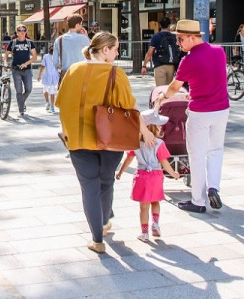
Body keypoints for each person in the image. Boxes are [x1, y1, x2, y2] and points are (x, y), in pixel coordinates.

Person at [56, 32, 156, 254]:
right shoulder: (115, 73)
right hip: (110, 139)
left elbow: (61, 103)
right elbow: (130, 107)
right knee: (106, 181)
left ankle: (97, 239)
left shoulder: (73, 70)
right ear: (104, 50)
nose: (118, 53)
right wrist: (144, 131)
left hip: (79, 139)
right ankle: (104, 220)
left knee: (89, 187)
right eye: (116, 49)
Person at [159, 19, 229, 213]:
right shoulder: (219, 51)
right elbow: (214, 78)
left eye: (181, 39)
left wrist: (162, 98)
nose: (178, 43)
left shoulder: (188, 60)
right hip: (222, 109)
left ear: (192, 37)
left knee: (196, 155)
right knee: (216, 150)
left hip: (200, 112)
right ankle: (213, 187)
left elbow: (174, 87)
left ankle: (198, 201)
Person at [116, 110, 180, 242]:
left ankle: (144, 233)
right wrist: (173, 173)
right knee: (155, 201)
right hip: (156, 176)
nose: (161, 127)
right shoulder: (159, 144)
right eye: (159, 125)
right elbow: (164, 162)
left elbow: (128, 159)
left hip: (141, 176)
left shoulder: (135, 143)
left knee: (143, 207)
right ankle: (155, 224)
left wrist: (121, 171)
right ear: (153, 127)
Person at [3, 25, 37, 117]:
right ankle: (21, 110)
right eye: (20, 30)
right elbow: (6, 55)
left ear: (26, 32)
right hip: (16, 69)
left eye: (24, 30)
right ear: (17, 32)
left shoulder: (30, 43)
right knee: (19, 91)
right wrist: (5, 63)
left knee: (28, 89)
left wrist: (26, 63)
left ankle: (22, 102)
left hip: (27, 70)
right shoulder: (13, 42)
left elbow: (34, 57)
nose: (22, 32)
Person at [53, 15, 91, 83]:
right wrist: (87, 37)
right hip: (80, 73)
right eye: (81, 25)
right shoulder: (83, 38)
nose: (82, 27)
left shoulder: (59, 40)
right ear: (77, 24)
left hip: (65, 75)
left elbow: (55, 62)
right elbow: (93, 51)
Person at [141, 17, 178, 86]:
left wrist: (144, 65)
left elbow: (149, 53)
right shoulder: (174, 37)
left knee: (160, 90)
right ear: (169, 25)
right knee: (168, 90)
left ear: (160, 25)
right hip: (171, 66)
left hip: (159, 65)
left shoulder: (156, 37)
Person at [37, 44, 59, 113]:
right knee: (49, 91)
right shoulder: (54, 56)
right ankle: (50, 105)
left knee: (48, 91)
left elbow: (42, 67)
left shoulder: (49, 56)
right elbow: (43, 66)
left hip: (49, 75)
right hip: (51, 75)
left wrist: (39, 75)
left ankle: (50, 104)